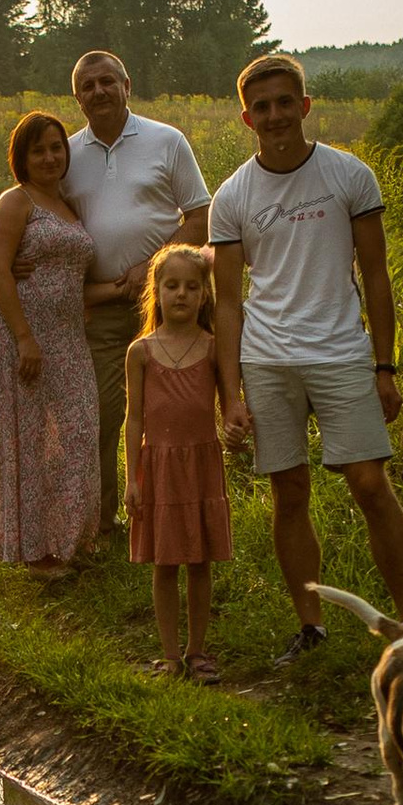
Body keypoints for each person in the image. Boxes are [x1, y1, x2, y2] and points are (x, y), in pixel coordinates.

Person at [208, 51, 403, 660]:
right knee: (290, 493)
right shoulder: (233, 196)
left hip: (341, 353)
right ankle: (311, 627)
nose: (274, 116)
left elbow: (376, 278)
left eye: (284, 103)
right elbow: (227, 305)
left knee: (369, 483)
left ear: (303, 107)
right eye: (261, 107)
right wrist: (231, 395)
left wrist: (386, 367)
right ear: (246, 118)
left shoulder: (349, 176)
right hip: (268, 359)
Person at [66, 50, 210, 533]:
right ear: (77, 97)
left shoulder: (166, 140)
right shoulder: (67, 154)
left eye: (107, 82)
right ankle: (103, 524)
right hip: (101, 311)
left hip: (171, 310)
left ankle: (174, 519)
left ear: (128, 85)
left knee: (173, 416)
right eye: (88, 87)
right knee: (104, 418)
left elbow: (199, 216)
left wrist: (151, 269)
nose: (99, 92)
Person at [0, 112, 101, 574]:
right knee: (29, 442)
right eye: (39, 150)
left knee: (78, 435)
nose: (50, 157)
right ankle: (37, 554)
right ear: (22, 158)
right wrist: (25, 337)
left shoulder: (70, 207)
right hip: (22, 338)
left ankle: (73, 541)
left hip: (70, 338)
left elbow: (72, 279)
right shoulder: (17, 202)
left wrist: (132, 284)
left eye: (57, 147)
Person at [123, 241, 235, 680]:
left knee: (200, 562)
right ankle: (169, 655)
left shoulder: (213, 348)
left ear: (205, 294)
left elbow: (231, 405)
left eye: (192, 286)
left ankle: (198, 651)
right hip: (160, 469)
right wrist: (133, 477)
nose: (182, 294)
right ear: (157, 290)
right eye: (172, 285)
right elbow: (133, 420)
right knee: (165, 564)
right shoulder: (141, 352)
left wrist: (238, 430)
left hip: (202, 467)